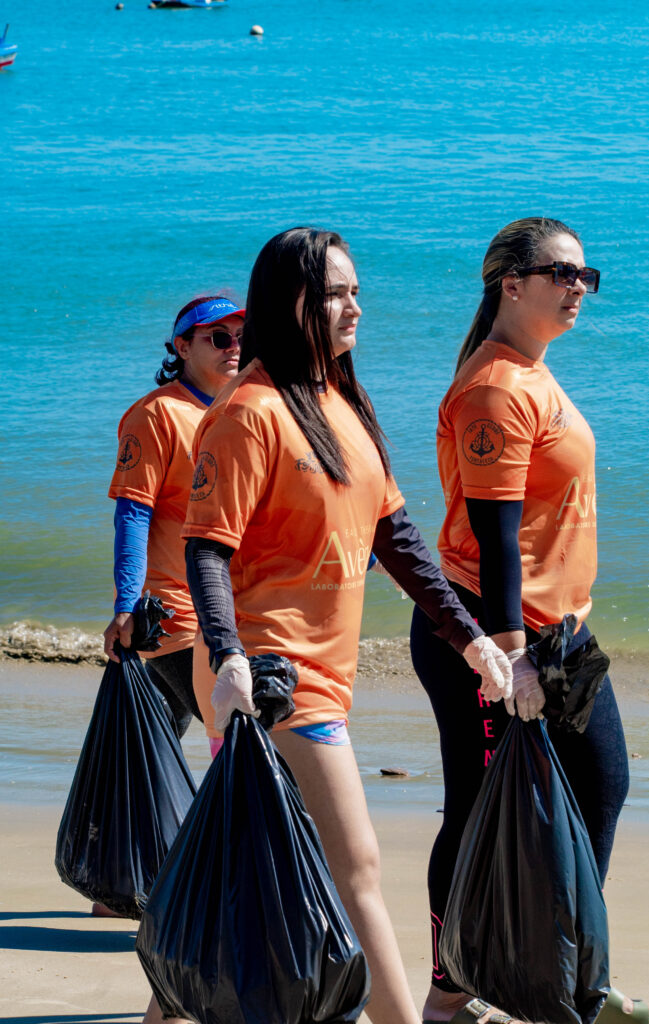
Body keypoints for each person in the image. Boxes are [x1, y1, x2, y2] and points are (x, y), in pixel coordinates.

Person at [179, 227, 523, 1024]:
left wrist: (467, 637)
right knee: (356, 868)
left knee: (249, 867)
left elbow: (398, 542)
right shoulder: (249, 414)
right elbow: (205, 551)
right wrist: (228, 656)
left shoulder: (343, 406)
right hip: (268, 677)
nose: (353, 306)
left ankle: (166, 1005)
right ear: (288, 301)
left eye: (356, 291)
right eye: (334, 292)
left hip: (323, 672)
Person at [410, 217, 649, 1024]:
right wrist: (509, 659)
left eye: (586, 276)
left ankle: (559, 972)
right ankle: (451, 992)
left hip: (562, 636)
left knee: (600, 788)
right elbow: (491, 538)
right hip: (495, 638)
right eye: (562, 273)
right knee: (478, 809)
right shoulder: (494, 387)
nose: (577, 288)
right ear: (508, 284)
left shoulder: (530, 373)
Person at [104, 294, 245, 761]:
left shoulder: (241, 412)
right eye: (219, 338)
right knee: (240, 738)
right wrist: (126, 604)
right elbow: (133, 512)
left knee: (154, 752)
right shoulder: (155, 415)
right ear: (182, 348)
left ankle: (131, 832)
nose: (234, 347)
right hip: (175, 616)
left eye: (242, 338)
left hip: (226, 611)